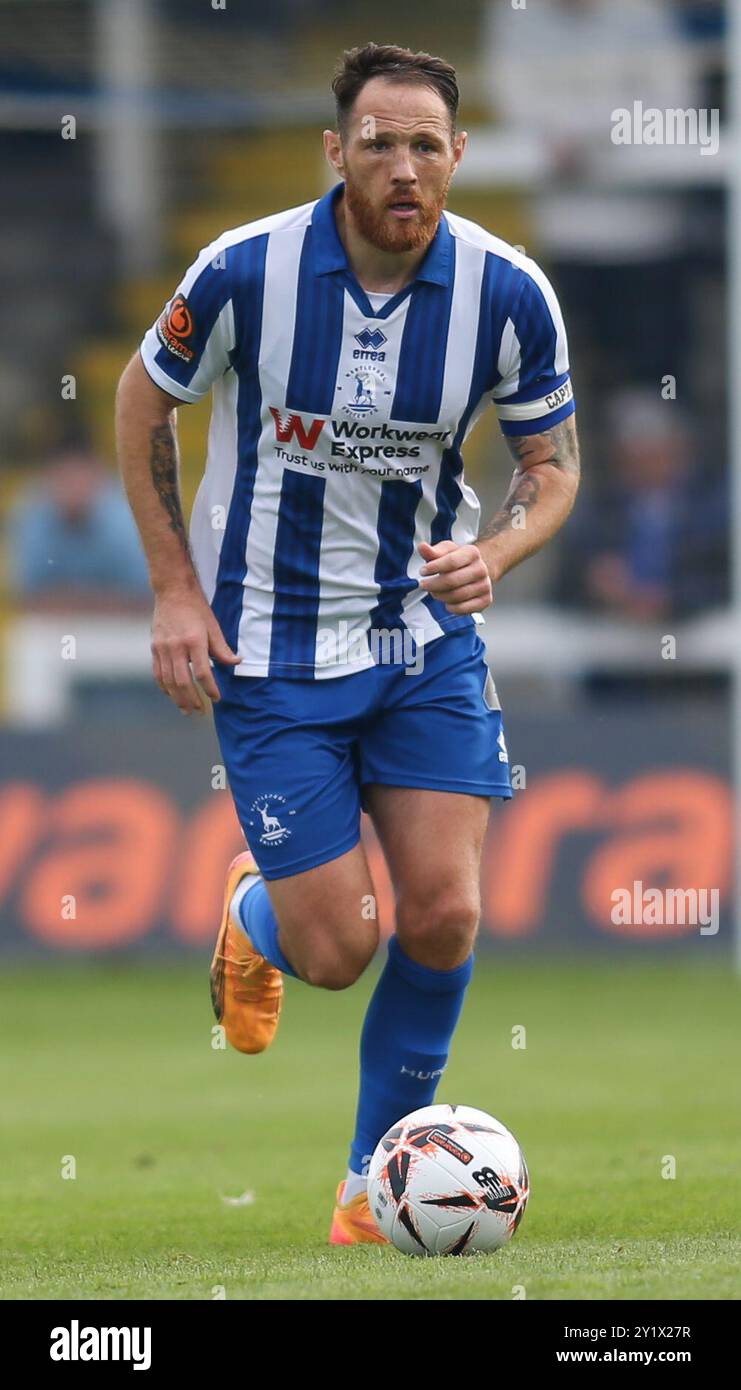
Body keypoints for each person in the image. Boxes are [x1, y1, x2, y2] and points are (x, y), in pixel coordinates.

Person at [115, 42, 580, 1248]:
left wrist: (503, 554)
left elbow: (551, 468)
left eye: (426, 143)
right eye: (378, 141)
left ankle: (367, 1191)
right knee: (338, 951)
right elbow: (140, 397)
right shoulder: (245, 271)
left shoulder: (508, 291)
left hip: (423, 639)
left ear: (458, 157)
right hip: (267, 651)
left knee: (443, 918)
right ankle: (256, 919)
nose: (404, 165)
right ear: (337, 152)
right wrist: (174, 589)